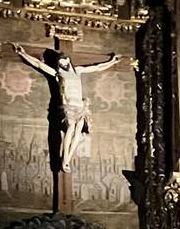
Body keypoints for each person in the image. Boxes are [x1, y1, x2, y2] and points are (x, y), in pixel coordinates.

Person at [11, 43, 122, 173]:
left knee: (78, 132)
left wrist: (112, 62)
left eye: (65, 62)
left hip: (80, 107)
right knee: (70, 128)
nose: (64, 65)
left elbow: (97, 67)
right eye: (61, 63)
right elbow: (38, 64)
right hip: (68, 106)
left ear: (68, 60)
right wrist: (22, 53)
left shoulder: (77, 71)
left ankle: (67, 159)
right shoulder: (57, 74)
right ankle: (65, 160)